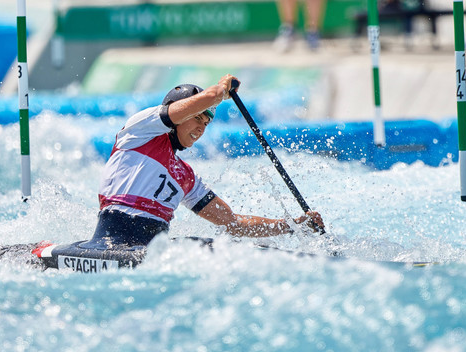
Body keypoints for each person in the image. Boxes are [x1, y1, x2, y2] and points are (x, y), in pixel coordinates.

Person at [82, 74, 324, 250]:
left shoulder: (186, 177)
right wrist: (220, 90)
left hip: (151, 251)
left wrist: (294, 224)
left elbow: (233, 223)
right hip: (107, 243)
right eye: (197, 118)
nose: (201, 128)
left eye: (206, 124)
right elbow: (209, 97)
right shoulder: (140, 132)